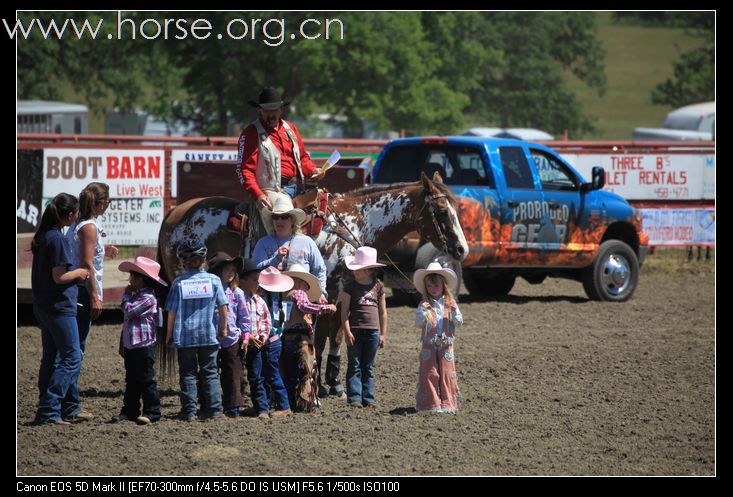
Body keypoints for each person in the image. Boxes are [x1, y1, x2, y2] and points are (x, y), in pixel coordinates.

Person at [31, 193, 90, 425]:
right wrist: (80, 273)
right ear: (70, 215)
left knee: (51, 358)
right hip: (59, 306)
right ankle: (49, 408)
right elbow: (60, 276)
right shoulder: (58, 239)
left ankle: (48, 406)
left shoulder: (44, 235)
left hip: (44, 305)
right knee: (72, 357)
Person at [64, 182, 118, 421]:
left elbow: (82, 254)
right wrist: (95, 295)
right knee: (76, 349)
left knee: (72, 348)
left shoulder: (82, 224)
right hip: (83, 291)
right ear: (100, 202)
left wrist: (103, 250)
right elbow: (86, 265)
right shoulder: (88, 228)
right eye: (107, 201)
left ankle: (65, 402)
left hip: (78, 289)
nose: (108, 205)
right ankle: (70, 405)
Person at [236, 86, 326, 230]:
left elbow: (302, 157)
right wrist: (258, 195)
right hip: (271, 191)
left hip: (297, 186)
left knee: (326, 203)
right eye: (266, 110)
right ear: (259, 111)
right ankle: (276, 251)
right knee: (283, 221)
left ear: (281, 110)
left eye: (274, 110)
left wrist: (313, 170)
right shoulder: (251, 133)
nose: (271, 114)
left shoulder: (290, 128)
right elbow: (244, 170)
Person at [164, 241, 228, 421]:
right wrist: (223, 328)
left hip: (185, 337)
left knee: (188, 373)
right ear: (204, 259)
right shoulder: (214, 280)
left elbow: (172, 312)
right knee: (210, 372)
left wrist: (169, 335)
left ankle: (189, 411)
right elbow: (223, 307)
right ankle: (215, 410)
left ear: (183, 261)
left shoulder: (178, 283)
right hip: (208, 335)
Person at [113, 256, 167, 425]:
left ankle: (152, 411)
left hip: (143, 345)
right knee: (132, 380)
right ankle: (130, 410)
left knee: (146, 379)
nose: (130, 280)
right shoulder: (141, 296)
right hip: (133, 345)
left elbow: (129, 311)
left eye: (132, 276)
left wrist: (126, 296)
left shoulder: (148, 298)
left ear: (140, 279)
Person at [281, 264, 337, 412]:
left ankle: (289, 402)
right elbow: (304, 306)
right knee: (307, 370)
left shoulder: (284, 294)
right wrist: (325, 308)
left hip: (287, 336)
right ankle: (306, 403)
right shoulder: (299, 292)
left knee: (289, 371)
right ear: (302, 282)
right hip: (301, 338)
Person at [252, 195, 328, 304]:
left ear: (292, 220)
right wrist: (276, 259)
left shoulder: (307, 242)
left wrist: (321, 293)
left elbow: (319, 269)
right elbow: (255, 270)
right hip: (269, 300)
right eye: (275, 217)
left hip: (300, 299)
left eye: (284, 217)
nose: (279, 220)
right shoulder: (263, 243)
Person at [339, 247, 388, 408]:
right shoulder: (350, 286)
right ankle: (355, 397)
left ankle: (368, 398)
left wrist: (383, 334)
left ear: (368, 270)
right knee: (355, 364)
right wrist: (347, 331)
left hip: (373, 332)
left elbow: (383, 312)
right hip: (356, 330)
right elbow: (344, 311)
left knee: (368, 366)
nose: (355, 271)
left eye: (358, 268)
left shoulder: (378, 286)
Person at [413, 262, 464, 414]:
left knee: (447, 373)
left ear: (443, 285)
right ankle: (431, 404)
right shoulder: (424, 305)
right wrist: (422, 314)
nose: (432, 289)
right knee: (430, 373)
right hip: (429, 344)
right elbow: (418, 324)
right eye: (429, 286)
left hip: (446, 345)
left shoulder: (450, 303)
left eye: (435, 285)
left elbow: (459, 322)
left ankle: (448, 403)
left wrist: (455, 313)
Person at [243, 265, 293, 419]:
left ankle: (283, 405)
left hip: (269, 340)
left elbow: (267, 322)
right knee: (266, 373)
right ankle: (264, 404)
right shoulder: (274, 298)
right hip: (271, 339)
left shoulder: (261, 300)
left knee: (270, 373)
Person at [206, 252, 247, 418]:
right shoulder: (210, 291)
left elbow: (244, 316)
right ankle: (209, 404)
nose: (231, 272)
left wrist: (245, 336)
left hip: (232, 339)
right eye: (227, 269)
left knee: (233, 373)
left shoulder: (237, 293)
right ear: (218, 272)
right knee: (209, 373)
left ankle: (233, 406)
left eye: (233, 269)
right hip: (211, 339)